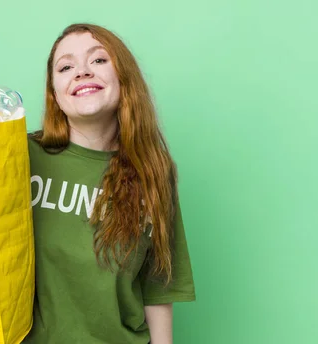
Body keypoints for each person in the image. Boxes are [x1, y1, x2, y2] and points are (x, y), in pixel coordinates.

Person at [23, 23, 196, 344]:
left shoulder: (154, 171)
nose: (82, 72)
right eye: (66, 67)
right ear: (55, 94)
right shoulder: (18, 157)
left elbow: (158, 283)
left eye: (98, 60)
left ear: (123, 78)